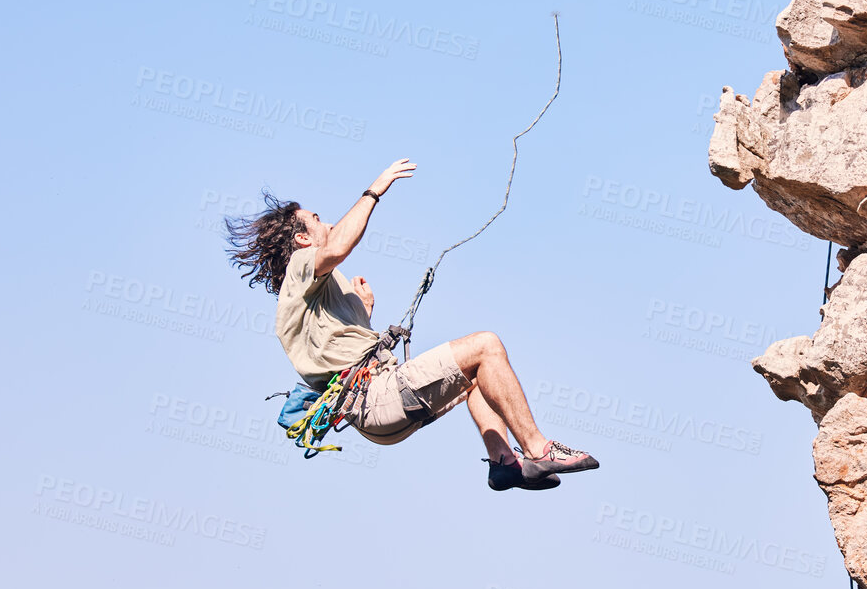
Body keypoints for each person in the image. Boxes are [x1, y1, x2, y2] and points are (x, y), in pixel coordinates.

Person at [224, 158, 599, 491]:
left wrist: (364, 312)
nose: (330, 223)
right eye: (318, 220)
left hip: (377, 413)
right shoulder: (301, 264)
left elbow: (335, 349)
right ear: (302, 237)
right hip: (377, 399)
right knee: (486, 345)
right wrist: (375, 190)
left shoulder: (313, 292)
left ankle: (504, 464)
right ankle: (538, 447)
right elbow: (338, 246)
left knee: (477, 375)